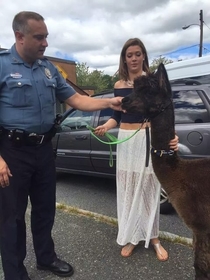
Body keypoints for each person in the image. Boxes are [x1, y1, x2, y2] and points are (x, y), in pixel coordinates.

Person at [0, 11, 123, 280]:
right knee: (12, 218)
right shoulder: (2, 66)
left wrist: (108, 102)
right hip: (12, 151)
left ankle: (46, 258)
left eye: (46, 37)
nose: (45, 43)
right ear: (19, 37)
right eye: (39, 37)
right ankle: (15, 272)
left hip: (44, 149)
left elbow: (77, 100)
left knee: (45, 209)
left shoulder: (48, 69)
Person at [94, 38, 178, 261]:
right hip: (126, 139)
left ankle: (153, 237)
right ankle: (132, 235)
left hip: (147, 137)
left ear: (143, 56)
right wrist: (105, 126)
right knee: (129, 187)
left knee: (150, 187)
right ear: (124, 58)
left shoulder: (152, 82)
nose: (133, 58)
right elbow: (117, 116)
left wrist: (172, 135)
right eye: (129, 55)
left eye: (137, 54)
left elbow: (165, 110)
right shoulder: (120, 85)